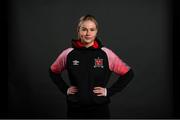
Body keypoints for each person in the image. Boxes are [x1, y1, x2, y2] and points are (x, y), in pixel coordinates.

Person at [49, 14, 134, 119]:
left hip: (99, 109)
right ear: (78, 31)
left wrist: (109, 91)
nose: (88, 33)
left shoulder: (106, 54)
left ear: (96, 31)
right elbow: (53, 71)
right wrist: (65, 89)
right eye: (84, 29)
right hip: (75, 109)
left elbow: (128, 74)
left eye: (92, 29)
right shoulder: (68, 53)